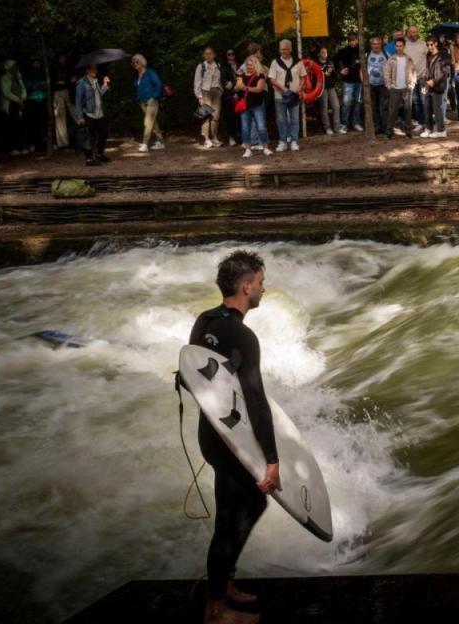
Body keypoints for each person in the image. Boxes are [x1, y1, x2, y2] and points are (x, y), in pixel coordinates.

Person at [187, 250, 280, 624]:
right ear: (245, 287)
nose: (262, 289)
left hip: (211, 434)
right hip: (230, 442)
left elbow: (195, 375)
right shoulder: (243, 335)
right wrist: (272, 459)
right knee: (234, 516)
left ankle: (222, 584)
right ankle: (215, 608)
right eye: (259, 283)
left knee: (245, 508)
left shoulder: (204, 321)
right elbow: (255, 400)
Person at [267, 40, 304, 152]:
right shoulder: (275, 62)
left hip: (294, 95)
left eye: (285, 49)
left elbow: (303, 76)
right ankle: (283, 141)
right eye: (281, 49)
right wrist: (283, 89)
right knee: (281, 119)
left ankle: (294, 141)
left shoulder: (298, 62)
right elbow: (272, 79)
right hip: (280, 96)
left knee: (294, 119)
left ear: (290, 49)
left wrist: (300, 87)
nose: (282, 51)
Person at [72, 63, 110, 166]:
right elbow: (78, 101)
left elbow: (98, 94)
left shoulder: (96, 81)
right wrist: (80, 117)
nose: (95, 71)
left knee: (104, 133)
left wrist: (105, 85)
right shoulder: (81, 83)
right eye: (92, 69)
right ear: (87, 70)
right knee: (89, 137)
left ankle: (99, 155)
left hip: (99, 113)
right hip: (89, 114)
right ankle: (89, 159)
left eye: (95, 69)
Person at [383, 36, 417, 138]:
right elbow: (386, 74)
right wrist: (389, 86)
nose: (399, 48)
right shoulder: (391, 59)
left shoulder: (409, 59)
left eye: (400, 46)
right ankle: (389, 131)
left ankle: (408, 131)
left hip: (407, 88)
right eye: (397, 46)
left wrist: (412, 85)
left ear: (404, 46)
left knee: (408, 111)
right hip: (395, 88)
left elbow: (414, 72)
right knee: (392, 111)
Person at [131, 54, 166, 152]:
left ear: (142, 62)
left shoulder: (150, 72)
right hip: (142, 102)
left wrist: (154, 97)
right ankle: (161, 141)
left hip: (151, 101)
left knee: (148, 122)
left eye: (137, 62)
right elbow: (137, 87)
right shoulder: (138, 75)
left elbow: (158, 84)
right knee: (153, 122)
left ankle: (145, 144)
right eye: (133, 63)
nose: (135, 64)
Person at [236, 58, 271, 158]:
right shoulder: (241, 76)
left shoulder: (260, 76)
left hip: (257, 105)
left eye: (251, 65)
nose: (249, 67)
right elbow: (237, 87)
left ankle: (265, 148)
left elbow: (259, 89)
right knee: (245, 128)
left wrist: (245, 88)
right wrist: (238, 78)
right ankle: (248, 149)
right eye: (247, 65)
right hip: (245, 106)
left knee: (261, 127)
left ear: (256, 65)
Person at [421, 38, 452, 138]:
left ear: (436, 44)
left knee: (437, 107)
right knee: (427, 107)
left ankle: (441, 130)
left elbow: (445, 71)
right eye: (427, 45)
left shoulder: (444, 55)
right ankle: (428, 128)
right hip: (428, 85)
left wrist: (434, 81)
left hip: (438, 85)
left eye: (431, 44)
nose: (429, 47)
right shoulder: (428, 55)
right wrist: (425, 83)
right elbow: (427, 70)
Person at [194, 46, 225, 148]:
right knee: (206, 116)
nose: (208, 55)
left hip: (216, 92)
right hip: (205, 92)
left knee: (216, 116)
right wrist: (199, 96)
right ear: (204, 55)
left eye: (210, 53)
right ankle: (207, 139)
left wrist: (221, 91)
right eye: (206, 54)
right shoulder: (201, 66)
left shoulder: (218, 66)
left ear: (214, 55)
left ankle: (215, 138)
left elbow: (221, 80)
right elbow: (197, 82)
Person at [335, 32, 364, 134]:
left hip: (360, 81)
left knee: (358, 102)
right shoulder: (343, 51)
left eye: (354, 40)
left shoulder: (361, 50)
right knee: (346, 103)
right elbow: (335, 61)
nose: (352, 42)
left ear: (357, 39)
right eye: (350, 40)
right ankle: (344, 124)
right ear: (348, 41)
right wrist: (340, 70)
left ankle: (355, 122)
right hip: (347, 81)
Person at [404, 25, 428, 132]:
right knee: (416, 101)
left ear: (417, 32)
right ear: (408, 33)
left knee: (424, 100)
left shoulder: (423, 44)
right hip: (411, 78)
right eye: (411, 32)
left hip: (422, 76)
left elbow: (430, 57)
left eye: (415, 32)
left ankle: (427, 123)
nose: (413, 34)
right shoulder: (405, 45)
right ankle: (420, 122)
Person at [51, 54, 77, 150]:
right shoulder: (54, 68)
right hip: (58, 93)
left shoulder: (70, 67)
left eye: (64, 58)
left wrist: (66, 82)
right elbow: (54, 83)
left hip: (69, 93)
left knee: (76, 115)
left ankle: (82, 139)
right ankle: (63, 143)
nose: (63, 60)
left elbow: (73, 80)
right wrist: (66, 82)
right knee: (60, 117)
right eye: (61, 58)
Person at [23, 57, 49, 153]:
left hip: (42, 100)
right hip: (32, 101)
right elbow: (27, 85)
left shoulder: (43, 73)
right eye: (35, 63)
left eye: (38, 63)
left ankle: (42, 145)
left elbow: (47, 85)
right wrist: (38, 84)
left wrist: (42, 85)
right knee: (32, 123)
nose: (37, 65)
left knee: (42, 123)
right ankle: (32, 144)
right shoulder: (28, 74)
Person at [316, 47, 340, 135]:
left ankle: (337, 127)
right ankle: (327, 127)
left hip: (331, 87)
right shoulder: (316, 64)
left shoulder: (330, 62)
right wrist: (324, 73)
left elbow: (334, 75)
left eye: (326, 52)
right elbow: (316, 76)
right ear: (319, 54)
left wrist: (333, 74)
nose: (325, 54)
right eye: (322, 52)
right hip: (322, 88)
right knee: (324, 108)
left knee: (336, 106)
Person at [366, 35, 388, 136]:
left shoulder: (386, 55)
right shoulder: (366, 56)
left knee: (383, 106)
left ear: (381, 44)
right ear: (371, 45)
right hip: (370, 85)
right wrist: (364, 83)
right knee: (373, 107)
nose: (376, 46)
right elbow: (361, 70)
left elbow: (391, 69)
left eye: (378, 44)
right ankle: (377, 127)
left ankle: (385, 128)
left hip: (383, 85)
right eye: (374, 44)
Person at [220, 50, 240, 146]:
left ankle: (241, 136)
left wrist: (238, 89)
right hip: (229, 95)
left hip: (241, 93)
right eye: (229, 54)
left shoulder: (240, 65)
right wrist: (233, 91)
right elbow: (224, 82)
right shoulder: (223, 67)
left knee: (241, 115)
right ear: (226, 56)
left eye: (233, 53)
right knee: (230, 116)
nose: (231, 55)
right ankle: (231, 136)